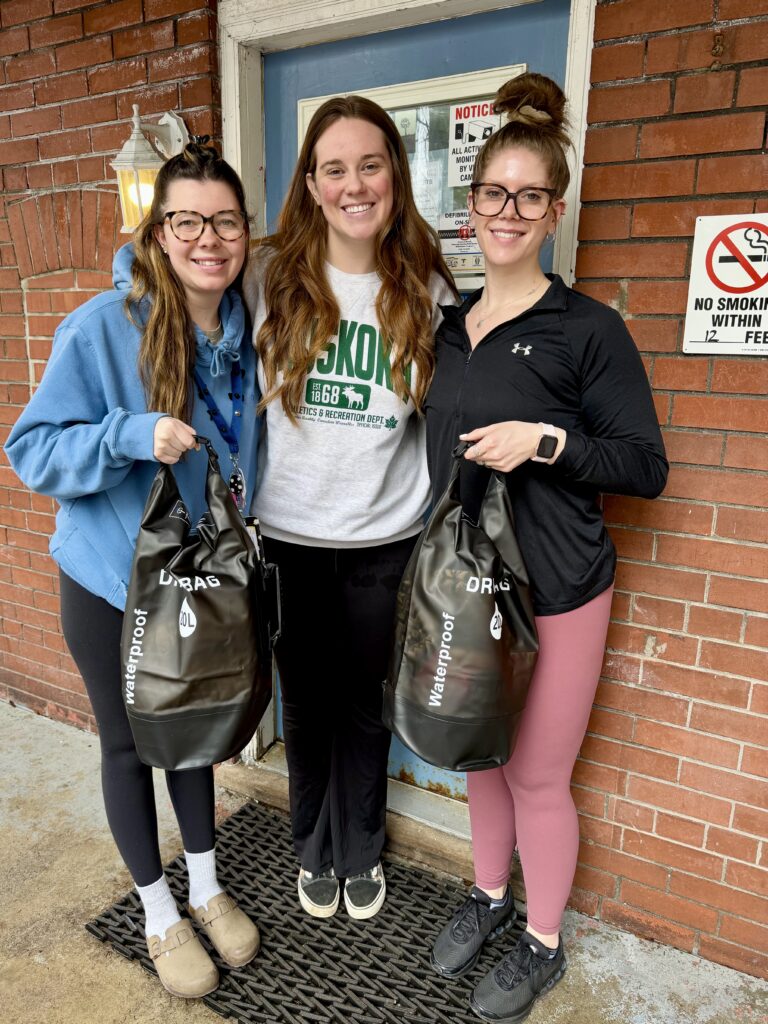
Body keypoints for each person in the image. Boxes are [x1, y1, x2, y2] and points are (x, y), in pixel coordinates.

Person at [425, 73, 668, 1022]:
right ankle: (489, 900)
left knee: (536, 774)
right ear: (472, 206)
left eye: (530, 196)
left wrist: (547, 441)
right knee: (481, 757)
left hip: (562, 587)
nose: (509, 212)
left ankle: (542, 940)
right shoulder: (450, 328)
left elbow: (644, 466)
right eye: (494, 194)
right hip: (471, 588)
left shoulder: (588, 330)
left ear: (555, 209)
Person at [5, 144, 261, 999]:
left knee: (188, 733)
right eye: (187, 220)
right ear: (158, 231)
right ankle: (157, 911)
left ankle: (206, 884)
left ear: (244, 233)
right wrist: (126, 434)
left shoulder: (243, 330)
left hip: (200, 579)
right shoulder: (100, 326)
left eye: (224, 220)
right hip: (111, 582)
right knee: (128, 742)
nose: (207, 238)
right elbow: (29, 450)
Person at [244, 95, 457, 921]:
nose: (354, 184)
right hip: (290, 537)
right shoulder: (269, 274)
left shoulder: (426, 285)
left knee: (368, 704)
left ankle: (361, 847)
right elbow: (162, 280)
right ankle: (313, 846)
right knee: (303, 704)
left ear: (395, 178)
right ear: (311, 181)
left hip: (385, 539)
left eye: (370, 165)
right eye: (335, 168)